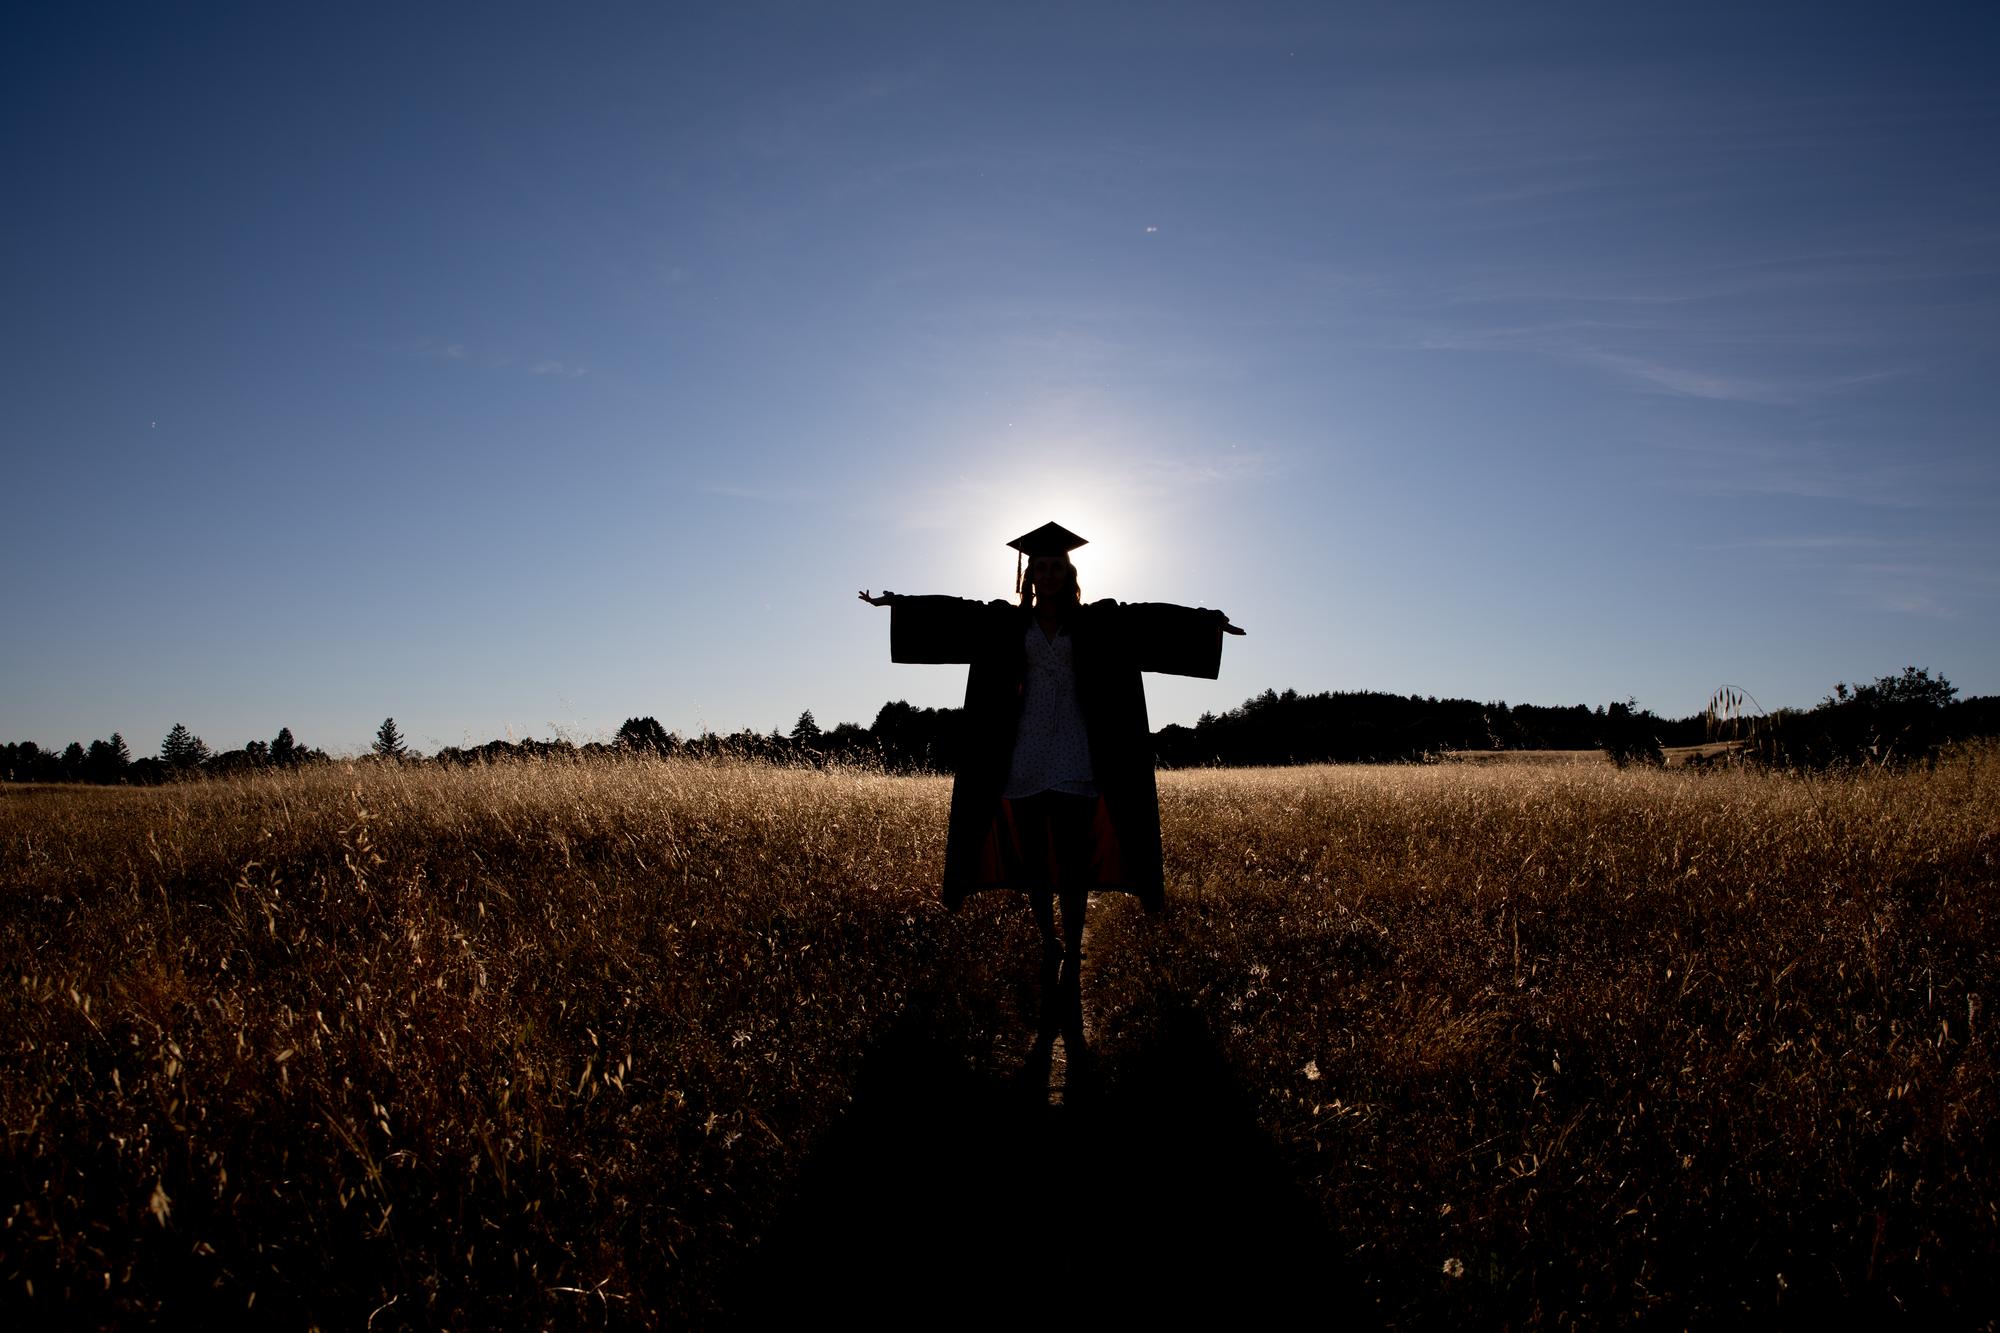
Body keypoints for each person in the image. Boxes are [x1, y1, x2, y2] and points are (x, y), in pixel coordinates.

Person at [859, 521, 1243, 987]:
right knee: (1036, 864)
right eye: (1040, 566)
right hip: (1022, 756)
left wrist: (1207, 621)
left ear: (1068, 570)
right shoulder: (1006, 622)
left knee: (1073, 861)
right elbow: (958, 614)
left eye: (1055, 565)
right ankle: (1049, 942)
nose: (1047, 573)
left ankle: (1076, 946)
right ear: (1030, 575)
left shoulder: (1098, 622)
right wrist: (900, 604)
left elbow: (1149, 620)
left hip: (1077, 755)